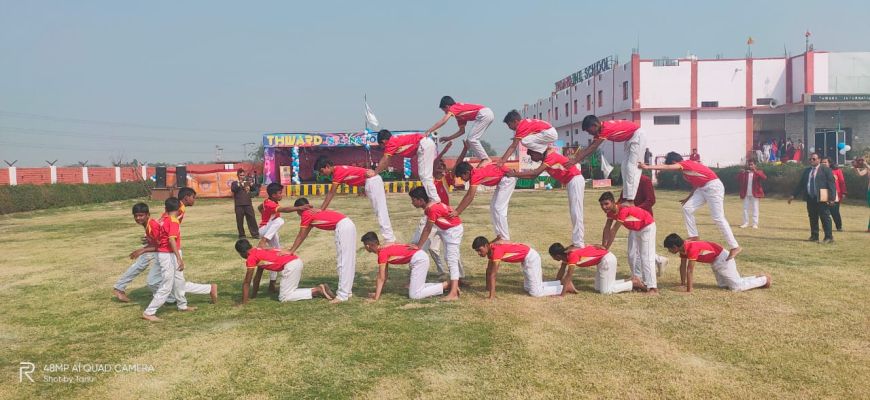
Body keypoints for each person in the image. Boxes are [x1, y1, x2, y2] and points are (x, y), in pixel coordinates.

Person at [640, 151, 742, 260]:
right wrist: (688, 198)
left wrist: (647, 167)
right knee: (687, 208)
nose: (673, 169)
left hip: (713, 187)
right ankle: (694, 236)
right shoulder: (687, 171)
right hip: (703, 188)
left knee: (718, 218)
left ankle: (735, 246)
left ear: (674, 162)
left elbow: (667, 167)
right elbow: (696, 185)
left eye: (673, 165)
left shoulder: (685, 164)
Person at [507, 148, 585, 247]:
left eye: (532, 155)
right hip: (571, 181)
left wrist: (514, 174)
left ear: (538, 152)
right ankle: (577, 242)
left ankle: (579, 243)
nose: (531, 158)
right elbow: (533, 176)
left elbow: (534, 173)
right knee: (574, 212)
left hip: (575, 179)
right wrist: (515, 174)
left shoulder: (550, 157)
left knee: (576, 212)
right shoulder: (546, 160)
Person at [286, 198, 357, 303]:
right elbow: (305, 233)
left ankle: (342, 296)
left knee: (343, 262)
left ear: (299, 209)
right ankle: (347, 291)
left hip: (343, 227)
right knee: (348, 261)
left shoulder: (306, 214)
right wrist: (292, 250)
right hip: (348, 224)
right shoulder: (312, 213)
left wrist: (291, 250)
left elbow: (301, 235)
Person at [410, 150, 467, 281]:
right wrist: (442, 152)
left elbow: (458, 165)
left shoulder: (446, 179)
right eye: (438, 164)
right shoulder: (428, 182)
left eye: (443, 165)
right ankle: (433, 272)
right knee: (425, 246)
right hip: (430, 217)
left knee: (452, 249)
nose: (441, 166)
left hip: (444, 218)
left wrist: (464, 149)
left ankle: (460, 276)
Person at [315, 156, 395, 243]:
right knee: (379, 211)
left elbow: (331, 193)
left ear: (327, 166)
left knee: (380, 211)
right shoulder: (338, 169)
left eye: (322, 171)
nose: (322, 174)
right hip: (371, 181)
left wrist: (321, 210)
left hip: (372, 181)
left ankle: (389, 239)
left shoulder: (338, 173)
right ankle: (389, 237)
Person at [569, 115, 646, 205]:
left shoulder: (606, 129)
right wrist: (576, 158)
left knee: (631, 168)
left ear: (594, 125)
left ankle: (630, 200)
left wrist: (575, 160)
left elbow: (593, 148)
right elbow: (590, 147)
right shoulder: (600, 131)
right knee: (624, 167)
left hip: (637, 136)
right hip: (630, 138)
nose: (589, 134)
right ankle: (625, 198)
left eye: (589, 131)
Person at [142, 198, 197, 321]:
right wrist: (179, 259)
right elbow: (171, 240)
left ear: (165, 209)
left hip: (166, 253)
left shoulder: (163, 219)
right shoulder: (174, 221)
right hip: (168, 254)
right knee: (167, 285)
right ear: (179, 209)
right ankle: (149, 312)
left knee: (179, 280)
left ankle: (182, 305)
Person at [452, 141, 516, 241]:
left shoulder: (475, 176)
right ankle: (500, 235)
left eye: (461, 176)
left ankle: (505, 238)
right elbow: (468, 195)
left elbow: (470, 196)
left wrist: (457, 211)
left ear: (467, 172)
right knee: (493, 207)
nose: (461, 179)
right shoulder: (475, 172)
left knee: (499, 208)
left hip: (508, 177)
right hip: (503, 180)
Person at [234, 239, 333, 304]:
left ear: (241, 253)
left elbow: (247, 282)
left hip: (291, 265)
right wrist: (253, 296)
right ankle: (320, 289)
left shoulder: (251, 257)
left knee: (284, 297)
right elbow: (257, 277)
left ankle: (317, 290)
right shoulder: (259, 250)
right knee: (289, 292)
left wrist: (244, 302)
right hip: (295, 261)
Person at [663, 233, 771, 293]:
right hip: (715, 261)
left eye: (669, 249)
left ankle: (764, 279)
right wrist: (683, 284)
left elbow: (689, 270)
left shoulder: (691, 248)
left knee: (736, 287)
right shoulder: (683, 249)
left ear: (675, 247)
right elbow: (682, 266)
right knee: (723, 285)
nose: (669, 251)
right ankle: (756, 277)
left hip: (723, 259)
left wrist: (689, 290)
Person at [598, 192, 658, 294]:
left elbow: (613, 230)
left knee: (647, 257)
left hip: (647, 226)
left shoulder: (623, 210)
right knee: (635, 256)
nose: (604, 207)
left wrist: (606, 248)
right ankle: (640, 281)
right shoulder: (610, 213)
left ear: (613, 202)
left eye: (606, 204)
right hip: (637, 229)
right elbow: (607, 228)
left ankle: (653, 288)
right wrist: (603, 246)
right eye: (602, 205)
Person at [257, 182, 313, 291]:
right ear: (273, 195)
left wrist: (265, 216)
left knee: (277, 254)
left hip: (269, 230)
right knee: (279, 220)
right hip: (264, 230)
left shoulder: (268, 202)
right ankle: (263, 241)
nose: (281, 194)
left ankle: (272, 284)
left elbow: (260, 207)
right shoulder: (270, 203)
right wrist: (299, 207)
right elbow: (284, 210)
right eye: (279, 193)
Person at [410, 187, 463, 300]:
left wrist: (418, 246)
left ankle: (454, 293)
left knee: (451, 260)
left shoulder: (432, 209)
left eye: (413, 200)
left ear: (421, 200)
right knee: (449, 258)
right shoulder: (431, 206)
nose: (412, 202)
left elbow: (427, 229)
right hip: (447, 229)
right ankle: (454, 287)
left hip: (452, 230)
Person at [361, 232, 448, 300]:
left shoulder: (382, 253)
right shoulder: (384, 248)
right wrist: (377, 294)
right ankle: (445, 285)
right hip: (420, 257)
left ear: (368, 245)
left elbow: (381, 278)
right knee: (414, 288)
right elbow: (385, 276)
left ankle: (446, 285)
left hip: (419, 260)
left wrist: (376, 298)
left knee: (414, 295)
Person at [472, 236, 562, 299]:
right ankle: (558, 283)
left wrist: (491, 296)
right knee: (528, 288)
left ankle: (563, 287)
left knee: (536, 293)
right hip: (525, 259)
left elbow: (493, 274)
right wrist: (488, 288)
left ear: (486, 245)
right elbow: (489, 271)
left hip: (531, 257)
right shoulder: (490, 251)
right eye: (477, 251)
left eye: (479, 250)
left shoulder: (496, 251)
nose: (479, 253)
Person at [369, 129, 439, 204]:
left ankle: (434, 199)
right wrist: (379, 171)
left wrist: (375, 173)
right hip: (426, 143)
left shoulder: (390, 142)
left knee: (424, 175)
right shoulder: (394, 141)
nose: (382, 148)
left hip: (424, 144)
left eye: (381, 145)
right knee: (425, 174)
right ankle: (432, 198)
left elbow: (384, 160)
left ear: (383, 141)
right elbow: (387, 162)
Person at [618, 173, 669, 276]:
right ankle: (659, 260)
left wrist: (635, 210)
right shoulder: (628, 181)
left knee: (635, 251)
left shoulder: (645, 180)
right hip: (632, 219)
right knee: (638, 249)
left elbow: (651, 200)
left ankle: (638, 276)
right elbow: (622, 199)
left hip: (643, 220)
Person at [112, 203, 161, 302]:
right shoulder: (148, 224)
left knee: (143, 265)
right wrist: (149, 241)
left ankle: (119, 287)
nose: (138, 218)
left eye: (141, 215)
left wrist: (144, 249)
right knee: (142, 265)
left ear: (148, 215)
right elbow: (159, 243)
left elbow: (161, 245)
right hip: (157, 248)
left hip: (163, 249)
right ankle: (119, 288)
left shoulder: (152, 225)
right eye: (136, 216)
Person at [425, 96, 494, 166]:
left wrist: (429, 130)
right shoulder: (459, 116)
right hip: (486, 113)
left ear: (447, 106)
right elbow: (461, 131)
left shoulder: (454, 107)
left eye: (444, 110)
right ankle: (483, 159)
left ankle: (485, 159)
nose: (445, 113)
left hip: (484, 114)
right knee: (469, 141)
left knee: (472, 139)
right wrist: (448, 138)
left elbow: (443, 120)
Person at [548, 242, 634, 295]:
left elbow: (569, 275)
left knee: (606, 292)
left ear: (557, 256)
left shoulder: (571, 255)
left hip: (607, 259)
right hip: (602, 261)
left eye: (552, 256)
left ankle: (633, 283)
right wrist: (557, 282)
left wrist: (562, 295)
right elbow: (562, 270)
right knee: (598, 288)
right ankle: (627, 281)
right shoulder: (565, 255)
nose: (552, 258)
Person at [788, 153, 837, 243]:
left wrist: (832, 198)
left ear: (819, 160)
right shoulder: (807, 171)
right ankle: (814, 236)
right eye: (810, 159)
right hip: (810, 198)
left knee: (825, 217)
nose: (811, 160)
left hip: (822, 198)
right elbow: (801, 184)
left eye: (814, 159)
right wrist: (793, 195)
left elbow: (831, 185)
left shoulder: (826, 170)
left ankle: (829, 237)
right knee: (813, 217)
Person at [232, 168, 261, 239]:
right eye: (241, 175)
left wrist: (252, 184)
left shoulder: (247, 182)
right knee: (239, 220)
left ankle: (255, 234)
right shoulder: (235, 183)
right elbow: (233, 189)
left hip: (248, 204)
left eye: (243, 175)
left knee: (252, 219)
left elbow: (255, 189)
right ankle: (242, 235)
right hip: (239, 204)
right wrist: (239, 184)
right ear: (238, 175)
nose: (242, 176)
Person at [737, 160, 766, 229]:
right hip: (746, 193)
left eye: (752, 164)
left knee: (755, 208)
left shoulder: (759, 172)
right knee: (745, 209)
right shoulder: (745, 173)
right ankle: (745, 223)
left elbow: (764, 177)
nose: (750, 166)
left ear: (755, 165)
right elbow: (737, 179)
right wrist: (741, 173)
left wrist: (755, 171)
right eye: (749, 164)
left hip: (755, 193)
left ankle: (755, 224)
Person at [821, 158, 846, 231]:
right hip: (823, 192)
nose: (823, 164)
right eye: (822, 162)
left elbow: (842, 182)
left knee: (835, 212)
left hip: (834, 193)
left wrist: (844, 192)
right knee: (824, 211)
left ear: (829, 163)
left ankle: (839, 227)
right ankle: (826, 227)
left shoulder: (837, 171)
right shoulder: (819, 171)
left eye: (825, 162)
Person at [851, 157, 870, 232]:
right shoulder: (867, 168)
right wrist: (856, 167)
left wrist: (866, 164)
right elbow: (860, 174)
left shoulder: (868, 167)